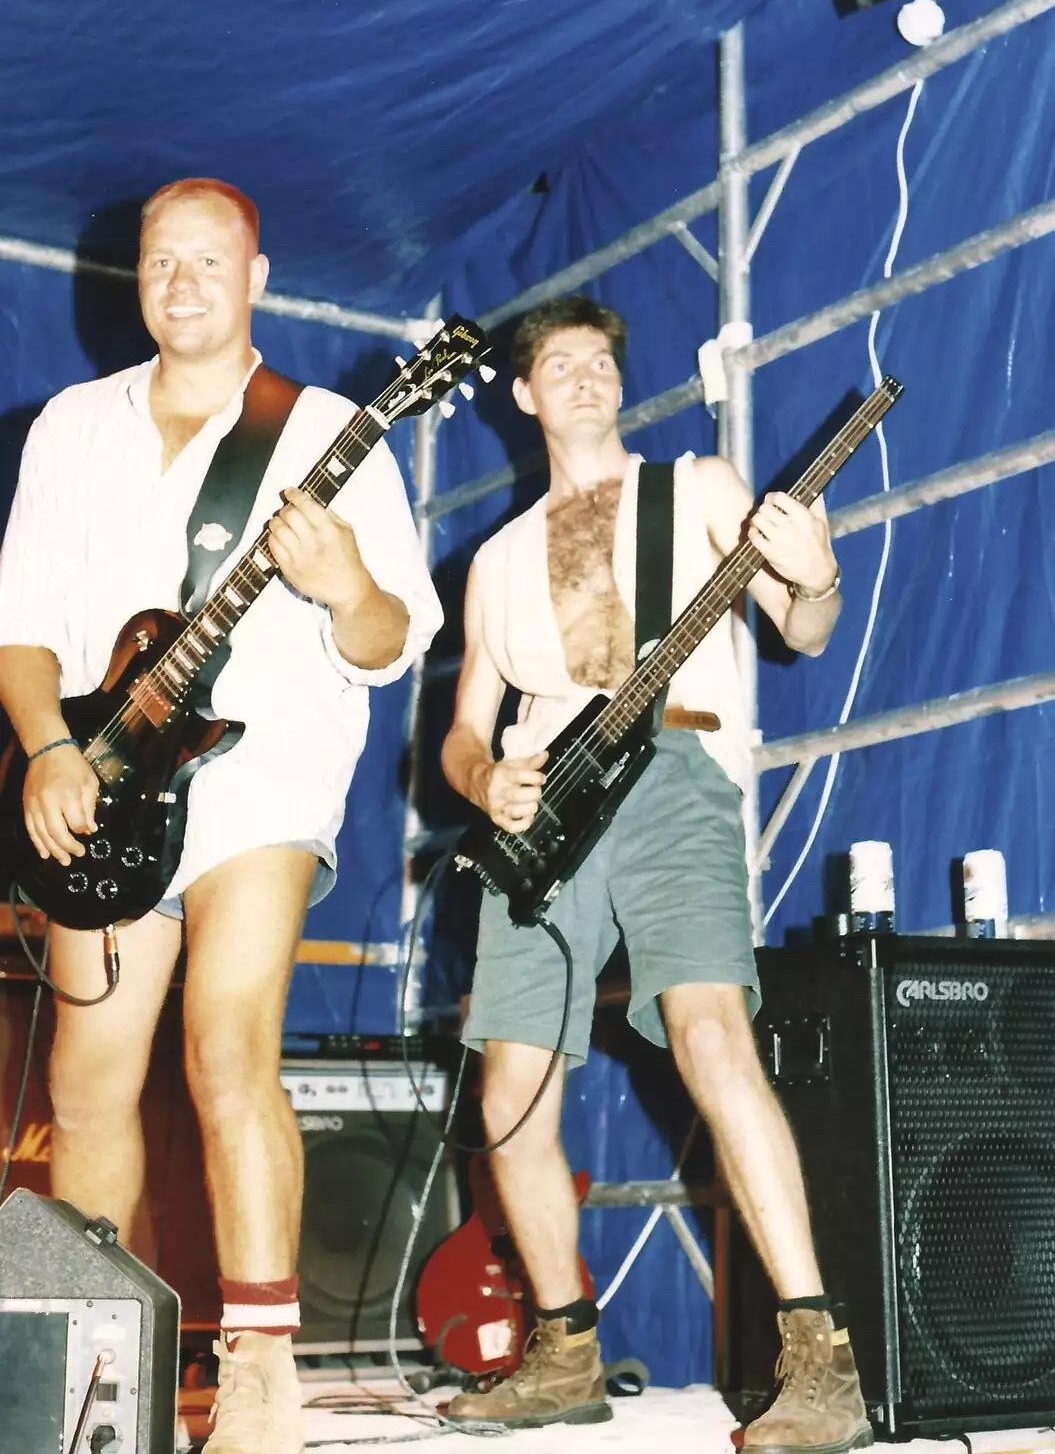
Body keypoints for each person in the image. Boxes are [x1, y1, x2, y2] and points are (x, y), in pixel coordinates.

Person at [0, 179, 442, 1454]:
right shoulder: (67, 429)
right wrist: (43, 753)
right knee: (85, 1089)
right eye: (160, 261)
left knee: (226, 1045)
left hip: (263, 775)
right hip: (102, 781)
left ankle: (258, 1372)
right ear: (132, 279)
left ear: (257, 279)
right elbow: (23, 623)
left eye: (210, 261)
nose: (183, 281)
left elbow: (386, 640)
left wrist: (344, 577)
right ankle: (100, 1368)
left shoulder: (326, 428)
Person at [440, 295, 871, 1452]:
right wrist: (485, 784)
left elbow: (805, 627)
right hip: (539, 794)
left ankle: (817, 1354)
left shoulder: (703, 489)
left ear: (617, 384)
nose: (581, 375)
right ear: (523, 395)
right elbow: (462, 729)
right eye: (556, 363)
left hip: (673, 766)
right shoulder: (491, 559)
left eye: (597, 359)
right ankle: (563, 1343)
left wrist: (814, 569)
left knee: (708, 1033)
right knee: (506, 1085)